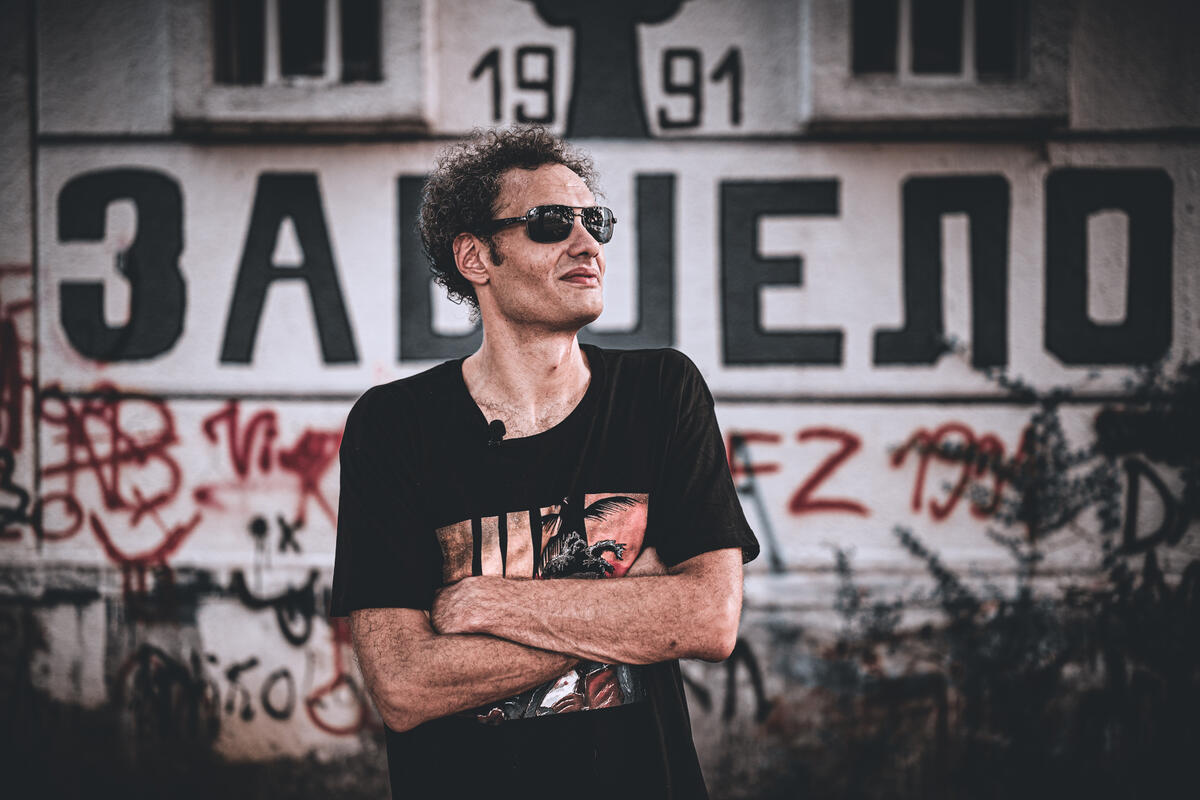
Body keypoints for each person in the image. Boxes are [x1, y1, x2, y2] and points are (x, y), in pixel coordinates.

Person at [330, 126, 758, 799]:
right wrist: (630, 596)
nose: (587, 245)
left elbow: (708, 618)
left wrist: (491, 602)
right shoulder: (395, 427)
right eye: (551, 223)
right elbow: (405, 685)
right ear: (476, 257)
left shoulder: (659, 393)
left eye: (596, 222)